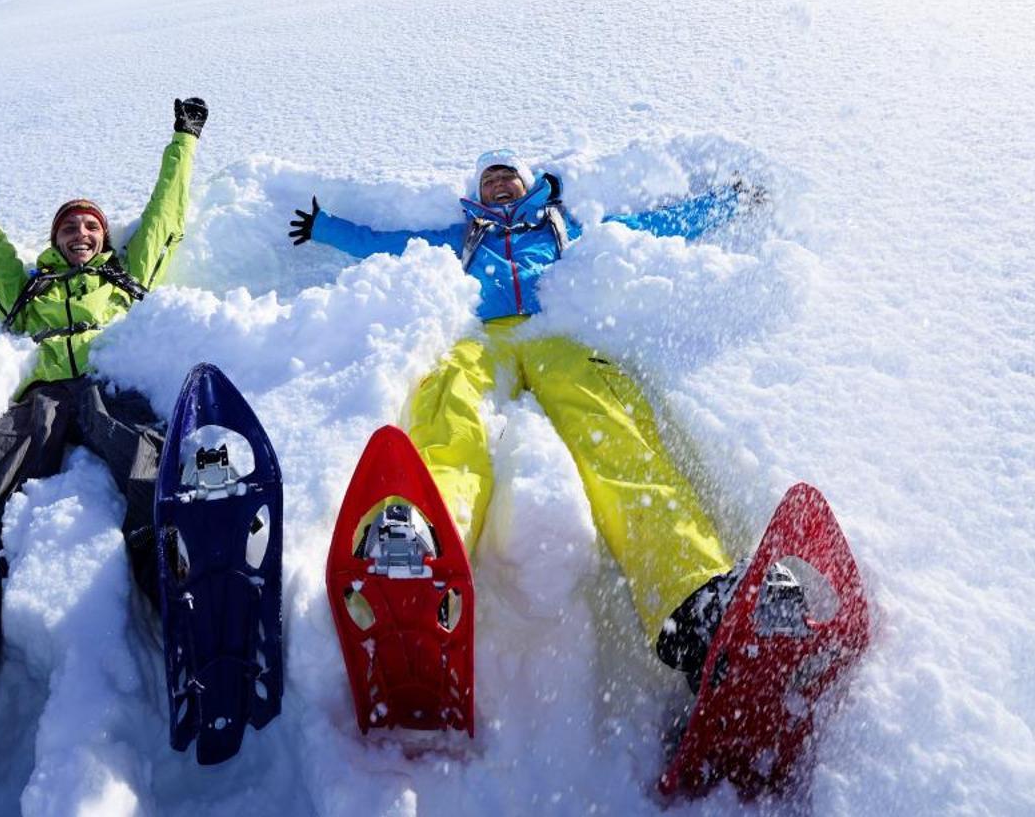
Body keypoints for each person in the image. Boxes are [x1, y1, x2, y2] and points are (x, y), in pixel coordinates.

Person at [289, 150, 764, 688]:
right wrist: (326, 228)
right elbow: (390, 246)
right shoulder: (462, 236)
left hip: (553, 335)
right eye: (489, 180)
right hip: (484, 339)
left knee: (611, 432)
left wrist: (726, 203)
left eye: (507, 176)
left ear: (527, 183)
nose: (499, 186)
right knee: (451, 413)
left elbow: (646, 229)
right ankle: (419, 558)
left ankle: (694, 600)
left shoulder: (564, 228)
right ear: (479, 192)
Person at [0, 96, 207, 766]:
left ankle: (189, 601)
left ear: (104, 238)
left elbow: (164, 216)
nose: (82, 233)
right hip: (39, 399)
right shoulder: (28, 288)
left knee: (147, 467)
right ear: (55, 239)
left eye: (91, 226)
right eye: (70, 227)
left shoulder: (123, 276)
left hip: (106, 385)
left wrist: (183, 139)